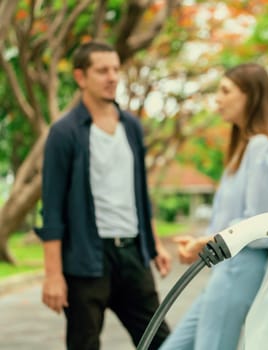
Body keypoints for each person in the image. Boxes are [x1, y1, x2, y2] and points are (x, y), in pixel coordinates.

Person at [35, 41, 172, 350]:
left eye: (115, 69)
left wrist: (155, 244)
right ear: (81, 77)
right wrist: (53, 275)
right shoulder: (65, 132)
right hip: (87, 260)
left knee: (162, 342)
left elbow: (139, 193)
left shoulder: (132, 127)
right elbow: (52, 207)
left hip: (132, 254)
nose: (112, 77)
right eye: (102, 71)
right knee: (84, 345)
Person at [159, 63, 268, 350]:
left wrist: (202, 243)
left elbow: (259, 226)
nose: (217, 99)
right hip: (226, 268)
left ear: (250, 96)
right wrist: (202, 245)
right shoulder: (244, 149)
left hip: (239, 270)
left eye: (225, 91)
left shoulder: (260, 147)